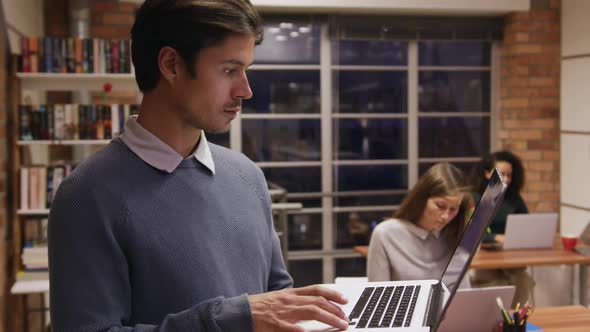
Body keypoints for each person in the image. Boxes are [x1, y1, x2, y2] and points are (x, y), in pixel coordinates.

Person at [48, 1, 349, 331]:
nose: (245, 90)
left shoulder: (248, 177)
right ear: (171, 64)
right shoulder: (86, 196)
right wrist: (228, 319)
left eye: (245, 70)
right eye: (229, 70)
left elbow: (276, 300)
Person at [367, 163, 472, 290]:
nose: (446, 216)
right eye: (440, 206)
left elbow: (463, 292)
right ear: (422, 199)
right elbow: (377, 295)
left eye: (453, 209)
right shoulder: (385, 234)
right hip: (404, 308)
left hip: (448, 309)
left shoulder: (455, 234)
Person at [469, 150, 534, 306]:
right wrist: (497, 238)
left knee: (523, 279)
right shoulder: (475, 197)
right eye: (501, 174)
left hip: (509, 256)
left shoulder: (514, 199)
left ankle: (515, 322)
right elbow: (471, 233)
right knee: (499, 284)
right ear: (487, 173)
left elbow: (526, 224)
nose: (506, 179)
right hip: (482, 257)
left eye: (509, 175)